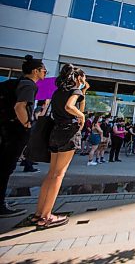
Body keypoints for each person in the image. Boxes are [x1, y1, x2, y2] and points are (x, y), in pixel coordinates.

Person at [34, 63, 88, 228]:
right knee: (59, 175)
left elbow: (69, 105)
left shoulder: (58, 92)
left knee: (51, 173)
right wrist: (82, 117)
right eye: (83, 78)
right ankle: (47, 216)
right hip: (67, 132)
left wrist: (83, 92)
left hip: (55, 132)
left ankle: (39, 213)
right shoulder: (74, 91)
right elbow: (70, 107)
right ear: (78, 78)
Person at [0, 55, 46, 217]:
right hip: (15, 131)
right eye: (43, 70)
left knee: (5, 166)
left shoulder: (17, 83)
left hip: (6, 129)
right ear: (35, 71)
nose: (45, 73)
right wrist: (26, 125)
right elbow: (20, 107)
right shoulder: (29, 85)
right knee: (6, 167)